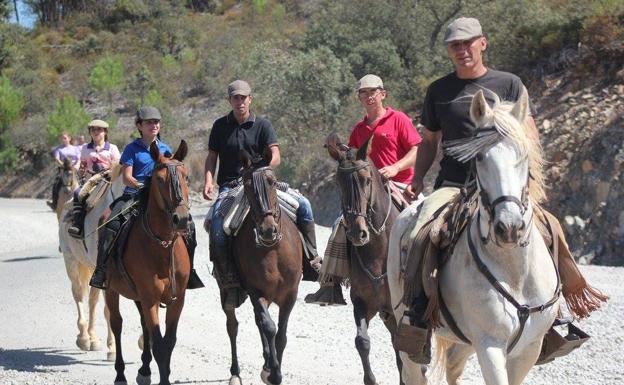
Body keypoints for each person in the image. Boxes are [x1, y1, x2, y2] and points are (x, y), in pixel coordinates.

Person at [402, 17, 607, 331]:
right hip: (454, 185)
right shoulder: (439, 91)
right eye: (454, 45)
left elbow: (529, 136)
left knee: (549, 229)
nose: (461, 49)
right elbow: (429, 141)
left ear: (483, 42)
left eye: (467, 42)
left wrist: (529, 177)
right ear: (448, 50)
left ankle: (552, 312)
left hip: (503, 187)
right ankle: (418, 311)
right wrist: (418, 177)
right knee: (421, 233)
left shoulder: (509, 84)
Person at [203, 80, 322, 310]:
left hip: (263, 182)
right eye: (235, 98)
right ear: (230, 100)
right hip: (231, 186)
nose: (240, 102)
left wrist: (264, 165)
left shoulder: (263, 125)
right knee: (218, 225)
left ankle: (312, 262)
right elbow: (212, 157)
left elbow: (275, 154)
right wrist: (209, 180)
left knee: (304, 205)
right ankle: (229, 280)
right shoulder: (220, 126)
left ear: (250, 99)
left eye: (243, 97)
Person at [305, 74, 422, 306]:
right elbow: (352, 160)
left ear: (383, 94)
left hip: (400, 185)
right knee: (342, 223)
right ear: (359, 97)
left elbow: (416, 151)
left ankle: (427, 282)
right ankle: (331, 284)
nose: (369, 96)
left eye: (373, 91)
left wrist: (395, 167)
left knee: (423, 225)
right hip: (367, 190)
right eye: (364, 92)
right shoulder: (359, 129)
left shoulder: (398, 119)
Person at [89, 107, 204, 290]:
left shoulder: (165, 148)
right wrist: (143, 186)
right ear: (139, 126)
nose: (154, 125)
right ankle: (102, 270)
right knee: (110, 222)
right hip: (134, 196)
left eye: (156, 122)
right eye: (149, 122)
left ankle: (189, 271)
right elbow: (127, 177)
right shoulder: (131, 149)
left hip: (161, 199)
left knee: (188, 226)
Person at [67, 119, 120, 238]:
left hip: (108, 181)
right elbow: (83, 165)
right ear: (90, 133)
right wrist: (80, 170)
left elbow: (117, 167)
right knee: (77, 193)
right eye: (93, 129)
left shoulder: (112, 148)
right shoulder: (85, 148)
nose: (96, 132)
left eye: (99, 129)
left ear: (105, 132)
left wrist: (108, 173)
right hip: (90, 182)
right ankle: (78, 223)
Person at [47, 132, 81, 210]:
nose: (63, 140)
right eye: (62, 138)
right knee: (56, 183)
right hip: (64, 169)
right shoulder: (58, 149)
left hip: (74, 169)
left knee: (83, 181)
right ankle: (54, 202)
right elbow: (57, 159)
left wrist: (76, 166)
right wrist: (64, 165)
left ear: (69, 138)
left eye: (65, 138)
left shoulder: (75, 148)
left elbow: (79, 159)